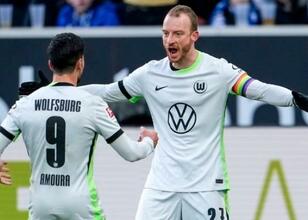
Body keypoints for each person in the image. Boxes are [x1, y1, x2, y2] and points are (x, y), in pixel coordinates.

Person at [18, 5, 308, 220]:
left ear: (195, 35)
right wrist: (55, 88)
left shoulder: (218, 70)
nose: (170, 40)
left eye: (178, 34)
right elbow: (108, 91)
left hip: (205, 185)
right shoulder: (150, 74)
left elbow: (258, 89)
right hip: (161, 185)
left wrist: (295, 99)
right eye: (166, 33)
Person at [0, 32, 158, 220]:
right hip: (81, 206)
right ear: (80, 63)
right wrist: (149, 140)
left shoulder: (25, 104)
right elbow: (132, 153)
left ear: (50, 64)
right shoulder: (92, 104)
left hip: (40, 206)